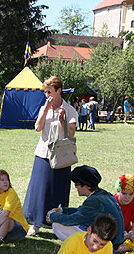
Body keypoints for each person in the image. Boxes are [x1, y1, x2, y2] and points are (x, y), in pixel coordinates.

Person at [23, 76, 78, 236]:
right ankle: (36, 223)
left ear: (58, 91)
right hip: (43, 153)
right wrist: (46, 109)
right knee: (40, 189)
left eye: (49, 92)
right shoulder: (44, 108)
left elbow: (72, 133)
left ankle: (57, 223)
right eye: (45, 92)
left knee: (58, 189)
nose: (47, 95)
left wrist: (62, 121)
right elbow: (38, 128)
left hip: (62, 155)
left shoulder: (69, 109)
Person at [46, 165, 126, 250]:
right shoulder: (104, 194)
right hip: (114, 240)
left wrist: (52, 215)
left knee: (57, 225)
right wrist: (63, 211)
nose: (75, 187)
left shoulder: (94, 201)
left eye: (77, 184)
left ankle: (80, 248)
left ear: (86, 186)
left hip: (108, 243)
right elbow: (83, 211)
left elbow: (71, 220)